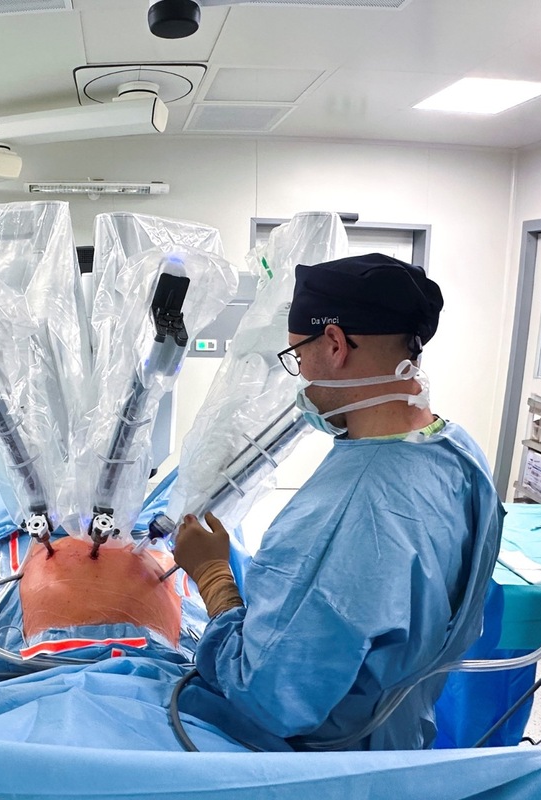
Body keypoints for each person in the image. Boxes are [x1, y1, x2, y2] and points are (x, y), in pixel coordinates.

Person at [172, 252, 503, 750]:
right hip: (395, 738)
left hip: (312, 757)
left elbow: (266, 695)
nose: (300, 375)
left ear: (334, 344)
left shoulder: (352, 509)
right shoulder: (457, 453)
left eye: (297, 356)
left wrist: (213, 577)